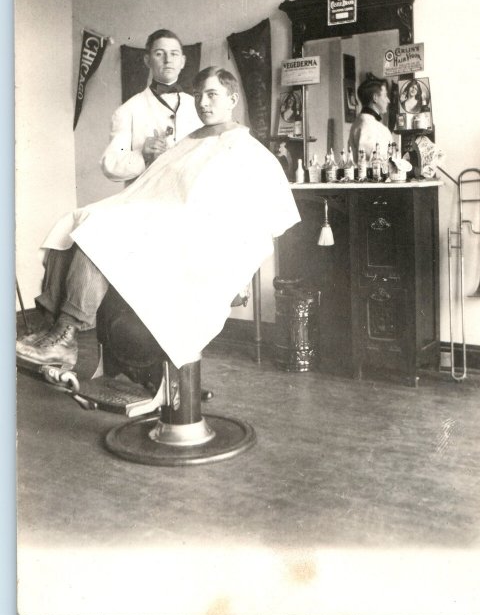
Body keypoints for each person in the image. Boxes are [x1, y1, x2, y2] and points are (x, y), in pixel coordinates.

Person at [16, 67, 301, 371]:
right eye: (199, 95)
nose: (203, 102)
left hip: (196, 237)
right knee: (81, 219)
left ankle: (66, 333)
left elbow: (266, 216)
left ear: (232, 98)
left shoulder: (250, 151)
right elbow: (155, 189)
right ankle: (57, 329)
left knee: (102, 232)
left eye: (212, 94)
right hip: (161, 223)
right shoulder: (189, 142)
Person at [101, 29, 203, 183]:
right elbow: (110, 164)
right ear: (147, 61)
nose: (168, 60)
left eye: (174, 54)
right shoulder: (127, 111)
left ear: (182, 61)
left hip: (189, 199)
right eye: (159, 54)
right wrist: (143, 155)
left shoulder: (198, 106)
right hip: (146, 201)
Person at [348, 77, 393, 161]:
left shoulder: (363, 122)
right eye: (385, 95)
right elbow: (373, 160)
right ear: (375, 98)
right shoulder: (366, 125)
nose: (388, 100)